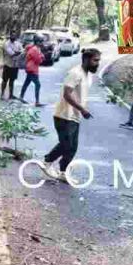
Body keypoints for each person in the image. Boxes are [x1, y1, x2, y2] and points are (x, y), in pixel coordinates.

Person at [40, 48, 101, 184]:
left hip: (74, 116)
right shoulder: (75, 73)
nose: (97, 64)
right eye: (95, 60)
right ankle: (47, 162)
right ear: (86, 59)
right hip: (63, 115)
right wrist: (82, 109)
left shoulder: (87, 74)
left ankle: (62, 172)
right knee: (66, 145)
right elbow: (67, 95)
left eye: (98, 61)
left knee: (72, 147)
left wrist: (81, 110)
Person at [19, 35, 46, 107]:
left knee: (26, 83)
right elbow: (39, 60)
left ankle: (21, 97)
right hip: (32, 69)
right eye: (41, 42)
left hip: (30, 68)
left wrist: (41, 56)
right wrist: (41, 57)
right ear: (37, 42)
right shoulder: (35, 50)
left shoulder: (35, 48)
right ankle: (37, 102)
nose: (42, 43)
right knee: (38, 84)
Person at [0, 31, 22, 100]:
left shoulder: (18, 43)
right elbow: (11, 54)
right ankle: (2, 94)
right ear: (10, 36)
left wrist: (17, 52)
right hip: (7, 65)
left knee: (12, 81)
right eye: (12, 36)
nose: (13, 37)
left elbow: (22, 51)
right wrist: (17, 52)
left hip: (15, 65)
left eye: (15, 36)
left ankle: (11, 95)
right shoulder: (6, 44)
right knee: (5, 80)